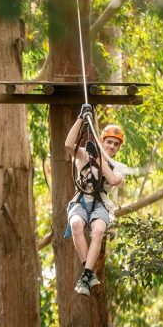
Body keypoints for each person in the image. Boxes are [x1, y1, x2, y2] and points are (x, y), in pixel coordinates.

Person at [64, 103, 129, 296]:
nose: (111, 146)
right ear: (102, 141)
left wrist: (101, 159)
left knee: (99, 230)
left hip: (100, 203)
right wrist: (80, 119)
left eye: (115, 144)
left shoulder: (118, 165)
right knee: (76, 225)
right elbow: (68, 144)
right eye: (108, 142)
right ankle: (88, 273)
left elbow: (114, 180)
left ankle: (86, 275)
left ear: (118, 148)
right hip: (81, 200)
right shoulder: (85, 154)